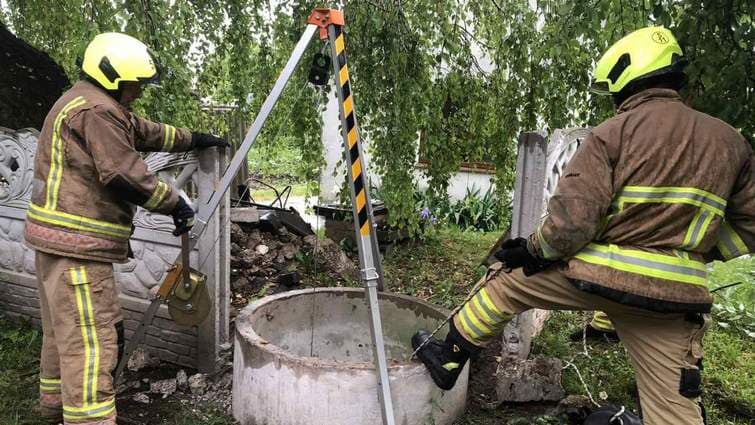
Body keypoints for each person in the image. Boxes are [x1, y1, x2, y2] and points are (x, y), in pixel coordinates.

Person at [412, 26, 754, 425]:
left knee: (505, 282)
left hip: (599, 276)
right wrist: (696, 251)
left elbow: (571, 224)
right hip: (673, 297)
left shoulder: (613, 133)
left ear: (626, 79)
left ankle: (448, 358)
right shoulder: (731, 142)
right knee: (674, 409)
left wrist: (532, 250)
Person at [25, 32, 227, 424]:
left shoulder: (84, 101)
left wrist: (194, 139)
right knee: (93, 343)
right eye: (135, 84)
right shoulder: (98, 112)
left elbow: (143, 131)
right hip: (78, 252)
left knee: (63, 334)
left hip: (55, 245)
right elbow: (122, 173)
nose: (139, 92)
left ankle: (53, 409)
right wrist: (175, 203)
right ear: (113, 78)